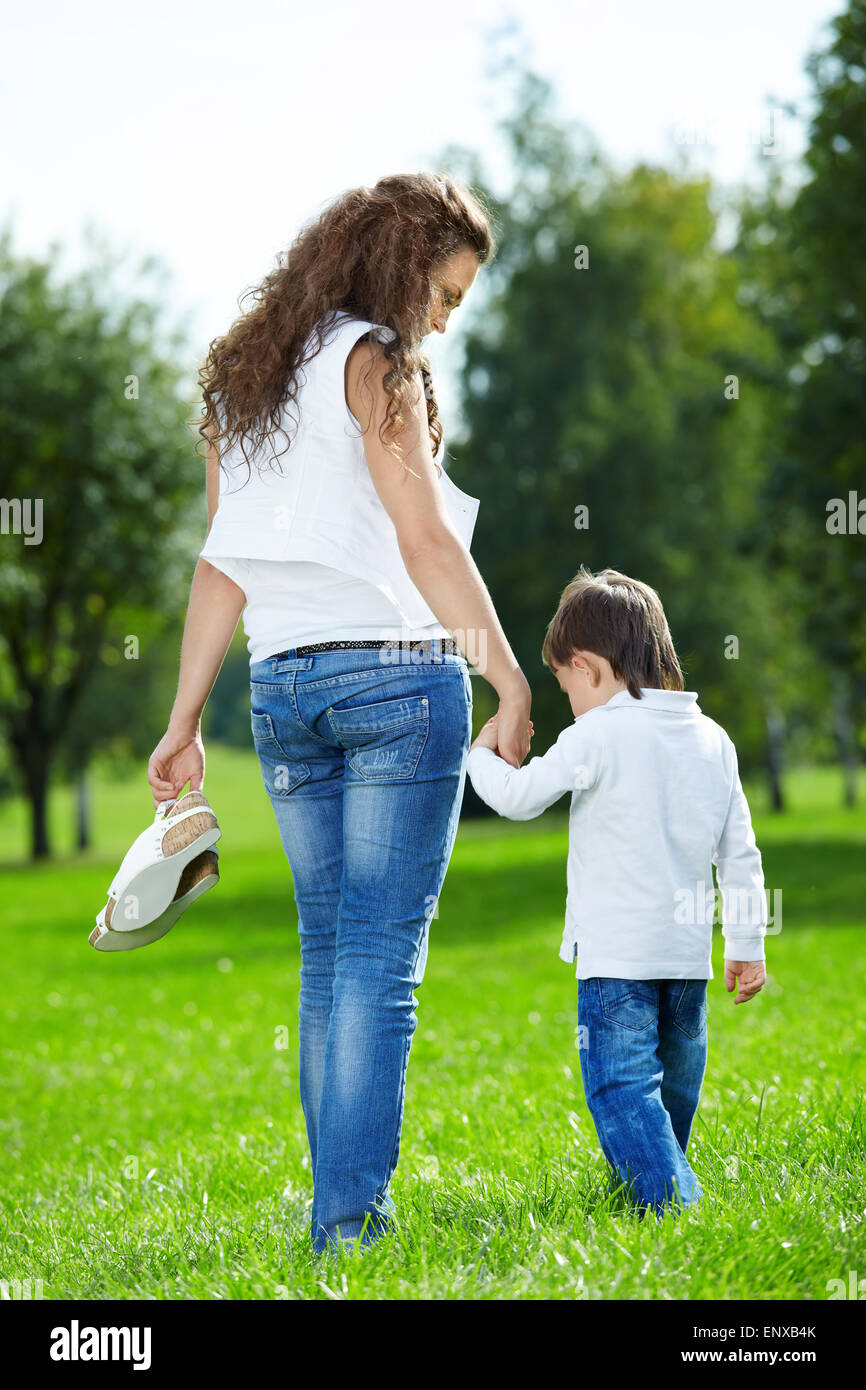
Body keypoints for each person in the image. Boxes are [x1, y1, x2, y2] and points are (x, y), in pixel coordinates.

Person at [147, 172, 534, 1254]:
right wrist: (506, 676)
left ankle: (339, 1217)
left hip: (283, 691)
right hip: (396, 683)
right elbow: (424, 541)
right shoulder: (377, 363)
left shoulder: (247, 375)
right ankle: (348, 1225)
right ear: (406, 263)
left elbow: (221, 565)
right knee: (375, 962)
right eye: (447, 293)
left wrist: (183, 718)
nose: (446, 319)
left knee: (330, 956)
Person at [466, 566, 768, 1215]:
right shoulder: (713, 740)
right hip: (686, 962)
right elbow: (739, 852)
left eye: (564, 682)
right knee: (674, 1087)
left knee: (619, 1086)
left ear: (590, 666)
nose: (568, 699)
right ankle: (655, 1181)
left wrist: (480, 757)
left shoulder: (597, 734)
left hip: (618, 962)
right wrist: (746, 943)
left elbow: (518, 799)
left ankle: (668, 1200)